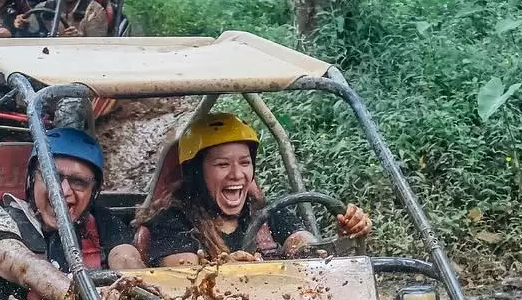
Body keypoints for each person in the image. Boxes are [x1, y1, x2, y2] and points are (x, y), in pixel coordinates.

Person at [0, 127, 142, 300]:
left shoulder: (102, 221)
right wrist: (82, 296)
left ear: (93, 192)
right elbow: (22, 266)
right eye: (52, 176)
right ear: (32, 179)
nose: (63, 191)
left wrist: (134, 284)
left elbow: (128, 260)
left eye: (78, 182)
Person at [143, 114, 371, 266]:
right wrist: (226, 273)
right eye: (222, 165)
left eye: (244, 163)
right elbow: (182, 280)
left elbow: (306, 251)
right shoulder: (172, 221)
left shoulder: (269, 215)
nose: (237, 174)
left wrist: (344, 238)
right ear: (195, 173)